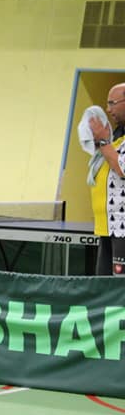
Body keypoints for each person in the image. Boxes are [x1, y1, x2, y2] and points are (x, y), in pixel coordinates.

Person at [88, 82, 125, 275]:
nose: (108, 109)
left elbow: (122, 168)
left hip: (122, 228)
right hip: (108, 226)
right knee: (103, 286)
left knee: (119, 286)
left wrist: (103, 140)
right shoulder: (118, 134)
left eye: (112, 103)